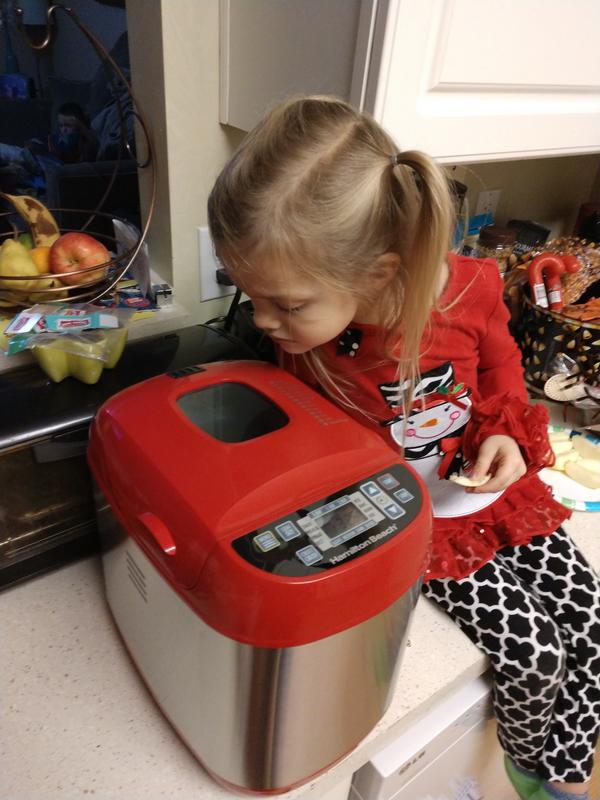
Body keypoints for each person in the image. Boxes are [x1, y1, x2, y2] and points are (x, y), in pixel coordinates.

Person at [207, 96, 600, 800]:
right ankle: (528, 769)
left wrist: (507, 430)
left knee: (591, 618)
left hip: (488, 492)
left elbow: (503, 366)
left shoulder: (471, 290)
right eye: (248, 295)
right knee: (536, 653)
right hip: (417, 529)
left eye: (286, 303)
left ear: (380, 273)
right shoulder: (304, 348)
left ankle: (568, 769)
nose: (265, 321)